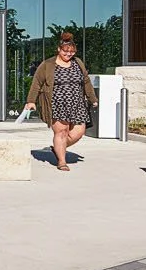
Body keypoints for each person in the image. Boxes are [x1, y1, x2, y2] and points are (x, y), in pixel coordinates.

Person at [23, 31, 97, 171]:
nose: (68, 54)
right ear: (59, 49)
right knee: (61, 132)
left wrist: (92, 98)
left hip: (77, 104)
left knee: (78, 132)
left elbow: (86, 81)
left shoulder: (78, 63)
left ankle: (58, 148)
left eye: (72, 52)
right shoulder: (47, 65)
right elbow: (37, 82)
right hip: (57, 103)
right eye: (65, 51)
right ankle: (62, 161)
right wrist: (31, 101)